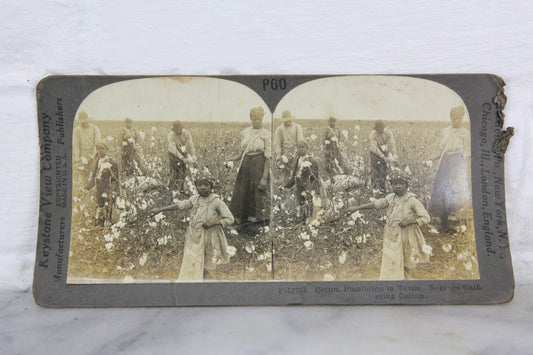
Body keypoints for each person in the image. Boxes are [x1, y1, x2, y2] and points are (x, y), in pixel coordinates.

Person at [346, 169, 431, 280]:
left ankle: (407, 279)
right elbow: (377, 204)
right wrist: (357, 208)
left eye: (401, 184)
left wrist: (409, 221)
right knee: (393, 258)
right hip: (392, 234)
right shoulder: (390, 198)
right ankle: (396, 279)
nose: (398, 187)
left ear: (406, 185)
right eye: (395, 184)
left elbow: (425, 218)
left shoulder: (412, 201)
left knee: (407, 259)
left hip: (406, 235)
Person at [151, 174, 234, 281]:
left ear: (211, 187)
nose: (203, 187)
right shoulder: (194, 199)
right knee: (193, 260)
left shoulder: (216, 202)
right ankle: (193, 282)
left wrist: (213, 223)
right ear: (196, 187)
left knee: (209, 263)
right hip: (194, 235)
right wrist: (160, 209)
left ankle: (208, 284)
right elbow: (180, 205)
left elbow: (230, 218)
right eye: (200, 185)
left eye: (206, 185)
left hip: (210, 236)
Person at [430, 106, 471, 230]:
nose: (455, 121)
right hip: (445, 160)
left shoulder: (465, 133)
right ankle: (438, 216)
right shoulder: (446, 131)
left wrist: (466, 166)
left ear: (462, 118)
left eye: (458, 119)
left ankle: (452, 216)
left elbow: (468, 151)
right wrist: (432, 158)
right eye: (453, 118)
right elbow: (441, 148)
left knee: (455, 187)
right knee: (440, 186)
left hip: (457, 161)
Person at [229, 106, 271, 226]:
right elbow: (242, 152)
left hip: (259, 163)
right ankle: (241, 217)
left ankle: (256, 218)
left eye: (258, 119)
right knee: (242, 189)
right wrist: (232, 160)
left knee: (257, 190)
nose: (256, 121)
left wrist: (264, 176)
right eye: (254, 119)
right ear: (250, 119)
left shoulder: (266, 134)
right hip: (246, 163)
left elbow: (268, 157)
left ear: (262, 119)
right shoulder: (246, 132)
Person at [84, 141, 119, 226]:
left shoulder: (112, 162)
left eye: (102, 149)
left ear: (106, 150)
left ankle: (108, 221)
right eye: (98, 149)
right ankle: (100, 221)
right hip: (98, 186)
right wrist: (87, 187)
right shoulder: (96, 161)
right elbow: (93, 176)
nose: (100, 151)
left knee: (108, 203)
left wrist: (113, 190)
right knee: (99, 203)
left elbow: (115, 178)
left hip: (107, 186)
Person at [285, 140, 321, 221]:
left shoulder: (311, 160)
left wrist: (308, 171)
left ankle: (310, 218)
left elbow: (315, 175)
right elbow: (294, 173)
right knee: (300, 201)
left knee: (308, 201)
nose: (301, 149)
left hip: (307, 184)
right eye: (299, 148)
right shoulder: (296, 159)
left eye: (302, 147)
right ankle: (302, 219)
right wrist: (289, 185)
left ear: (306, 148)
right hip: (298, 183)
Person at [274, 110, 304, 183]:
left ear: (291, 119)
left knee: (296, 173)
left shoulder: (297, 127)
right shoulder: (279, 129)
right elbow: (277, 144)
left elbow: (300, 142)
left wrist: (296, 153)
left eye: (289, 121)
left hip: (296, 153)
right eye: (285, 121)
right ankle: (284, 190)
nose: (287, 122)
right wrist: (279, 156)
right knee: (284, 175)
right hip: (284, 155)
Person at [167, 120, 197, 192]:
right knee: (174, 171)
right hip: (173, 154)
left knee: (183, 171)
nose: (178, 131)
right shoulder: (170, 135)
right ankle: (171, 189)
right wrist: (182, 158)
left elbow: (190, 145)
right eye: (177, 129)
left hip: (183, 151)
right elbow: (173, 149)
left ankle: (181, 189)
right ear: (174, 129)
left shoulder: (186, 133)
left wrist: (193, 155)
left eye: (179, 129)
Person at [369, 119, 397, 193]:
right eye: (379, 128)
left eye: (381, 128)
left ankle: (383, 189)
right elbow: (374, 148)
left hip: (384, 151)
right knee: (374, 171)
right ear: (376, 127)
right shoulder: (373, 134)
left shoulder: (388, 132)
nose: (380, 129)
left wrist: (394, 155)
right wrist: (383, 157)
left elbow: (392, 144)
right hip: (374, 153)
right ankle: (372, 189)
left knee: (384, 171)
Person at [73, 111, 101, 184]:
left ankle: (92, 190)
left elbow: (97, 143)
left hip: (94, 153)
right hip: (83, 155)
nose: (85, 123)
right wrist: (77, 159)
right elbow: (76, 146)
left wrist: (94, 154)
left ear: (88, 121)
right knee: (83, 174)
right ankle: (84, 192)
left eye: (86, 121)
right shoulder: (77, 130)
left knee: (94, 173)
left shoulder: (95, 128)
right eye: (82, 122)